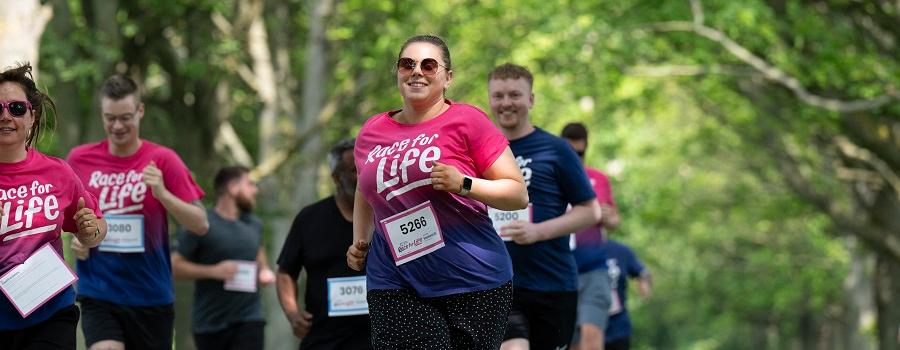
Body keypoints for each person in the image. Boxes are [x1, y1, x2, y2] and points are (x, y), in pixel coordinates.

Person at [347, 34, 528, 349]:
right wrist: (359, 240)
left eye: (429, 65)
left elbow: (517, 194)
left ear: (447, 77)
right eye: (408, 64)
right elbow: (366, 188)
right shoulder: (371, 132)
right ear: (398, 72)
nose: (417, 71)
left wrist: (464, 184)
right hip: (393, 278)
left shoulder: (468, 120)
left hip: (473, 277)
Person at [67, 74, 209, 350]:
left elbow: (201, 224)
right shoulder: (79, 159)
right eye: (110, 118)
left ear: (140, 111)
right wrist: (79, 238)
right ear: (102, 114)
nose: (117, 126)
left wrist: (164, 194)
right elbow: (69, 218)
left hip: (150, 295)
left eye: (125, 117)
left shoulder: (163, 160)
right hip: (99, 291)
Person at [487, 64, 603, 350]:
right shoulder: (479, 151)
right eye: (498, 96)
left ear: (531, 99)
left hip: (552, 283)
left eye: (515, 94)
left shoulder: (556, 149)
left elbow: (590, 210)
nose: (506, 103)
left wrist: (538, 232)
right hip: (496, 284)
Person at [0, 63, 107, 349]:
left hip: (51, 310)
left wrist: (90, 231)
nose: (5, 116)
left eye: (16, 108)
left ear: (32, 117)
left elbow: (95, 229)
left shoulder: (58, 172)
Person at [277, 139, 372, 350]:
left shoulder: (385, 214)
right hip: (324, 340)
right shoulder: (310, 218)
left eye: (367, 167)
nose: (363, 175)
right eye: (354, 170)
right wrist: (293, 314)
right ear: (337, 178)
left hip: (379, 339)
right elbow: (285, 272)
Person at [171, 166, 275, 350]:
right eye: (250, 184)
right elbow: (173, 266)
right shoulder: (201, 223)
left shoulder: (254, 224)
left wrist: (265, 272)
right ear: (233, 187)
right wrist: (214, 271)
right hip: (210, 324)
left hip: (250, 318)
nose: (255, 190)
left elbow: (260, 260)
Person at [561, 122, 620, 350]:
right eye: (570, 152)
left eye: (580, 153)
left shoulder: (599, 178)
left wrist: (606, 216)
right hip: (562, 271)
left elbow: (615, 220)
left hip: (595, 269)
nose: (576, 157)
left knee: (592, 337)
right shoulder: (552, 177)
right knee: (570, 342)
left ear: (586, 148)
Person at [601, 239, 651, 350]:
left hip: (618, 327)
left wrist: (644, 288)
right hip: (585, 327)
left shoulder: (619, 250)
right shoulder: (578, 250)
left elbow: (642, 272)